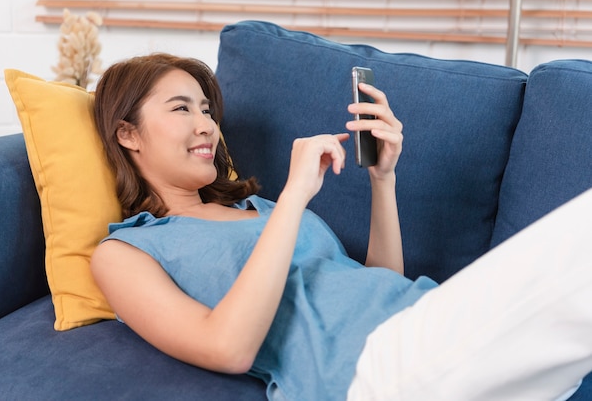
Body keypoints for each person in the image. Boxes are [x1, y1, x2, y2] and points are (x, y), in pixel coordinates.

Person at [91, 53, 592, 401]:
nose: (207, 125)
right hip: (372, 372)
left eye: (206, 110)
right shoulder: (126, 252)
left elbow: (380, 282)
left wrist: (383, 179)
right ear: (128, 133)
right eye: (181, 108)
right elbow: (227, 348)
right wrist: (293, 196)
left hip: (426, 321)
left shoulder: (256, 210)